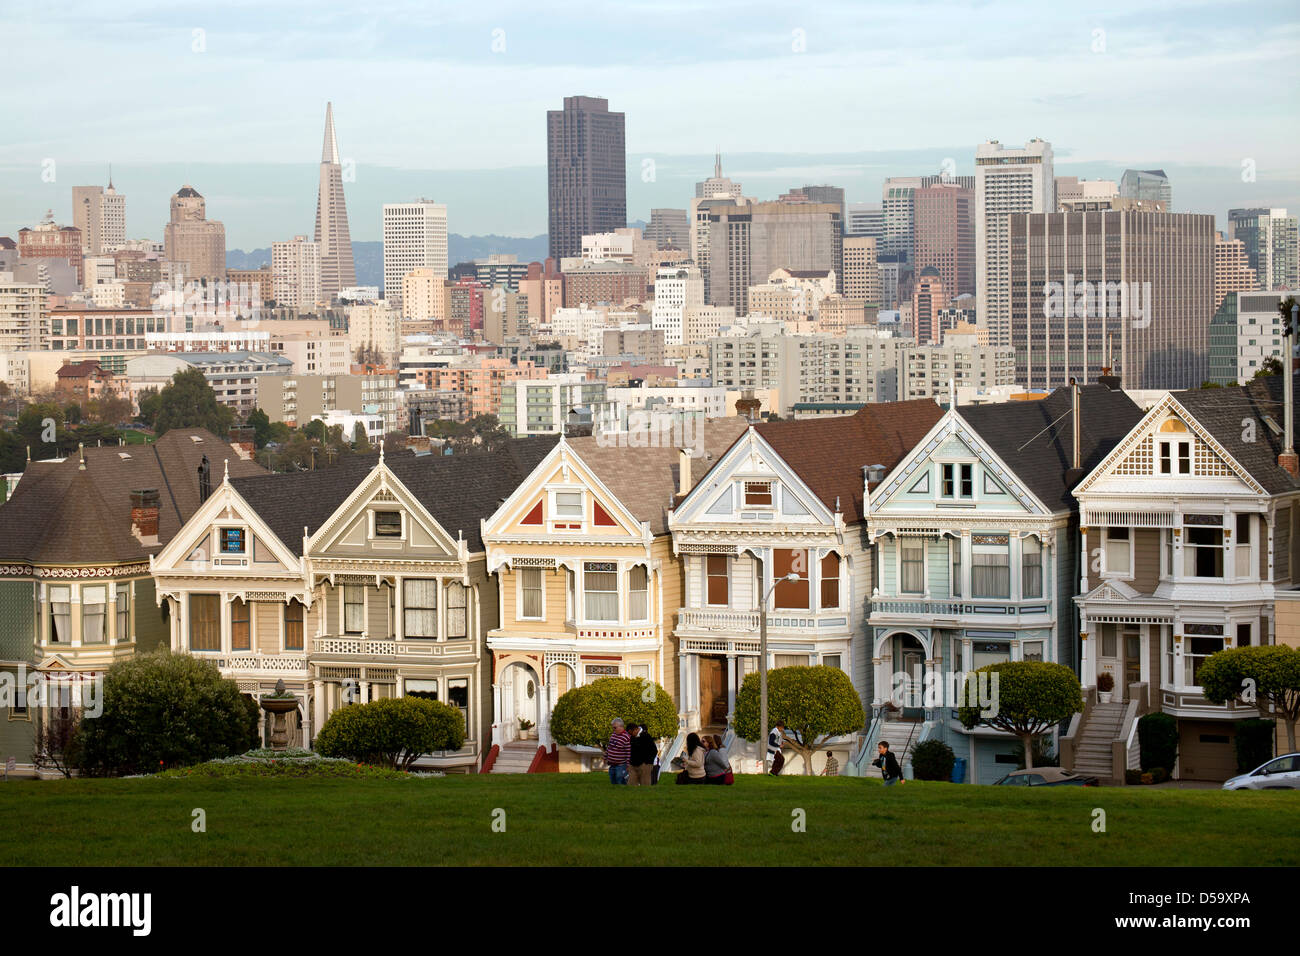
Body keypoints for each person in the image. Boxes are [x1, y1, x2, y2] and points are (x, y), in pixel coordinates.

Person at [628, 722, 656, 786]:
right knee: (631, 785)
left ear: (635, 729)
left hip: (645, 765)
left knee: (645, 785)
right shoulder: (632, 738)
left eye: (631, 733)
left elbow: (654, 751)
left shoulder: (646, 736)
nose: (631, 735)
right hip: (633, 765)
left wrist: (647, 762)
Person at [605, 718, 631, 785]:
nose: (613, 729)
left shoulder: (626, 737)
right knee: (613, 780)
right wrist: (605, 757)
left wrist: (628, 764)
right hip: (612, 764)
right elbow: (609, 747)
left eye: (615, 727)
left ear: (621, 727)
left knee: (620, 781)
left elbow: (629, 752)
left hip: (621, 765)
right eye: (613, 727)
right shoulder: (613, 735)